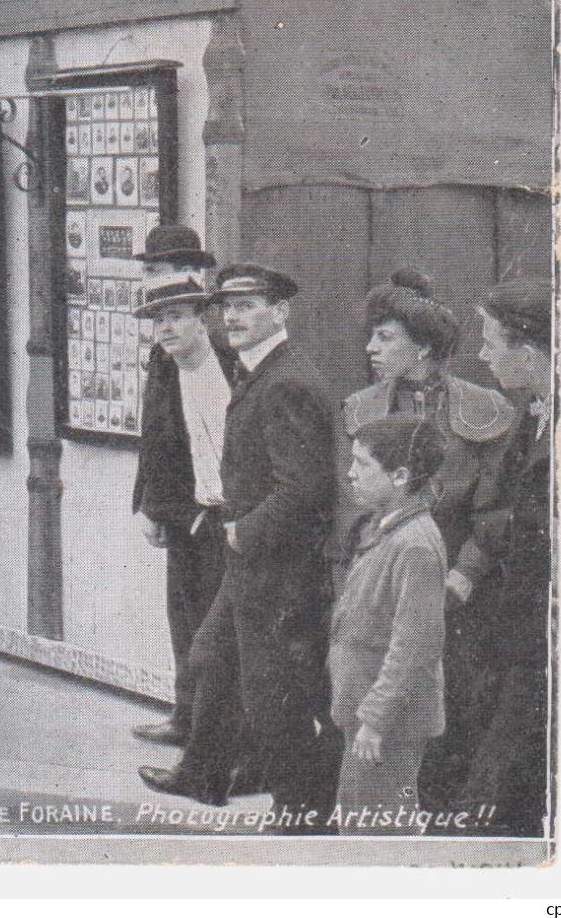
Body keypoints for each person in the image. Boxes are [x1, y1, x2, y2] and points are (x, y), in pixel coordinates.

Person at [140, 264, 339, 822]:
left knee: (275, 693)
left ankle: (302, 808)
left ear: (281, 312)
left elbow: (303, 487)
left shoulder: (288, 380)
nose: (233, 316)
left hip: (276, 565)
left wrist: (242, 528)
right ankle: (205, 776)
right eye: (228, 306)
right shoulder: (259, 372)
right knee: (210, 657)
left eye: (248, 306)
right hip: (248, 559)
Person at [336, 270, 516, 809]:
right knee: (375, 725)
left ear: (424, 348)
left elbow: (497, 508)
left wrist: (462, 577)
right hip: (381, 589)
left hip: (462, 593)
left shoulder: (484, 409)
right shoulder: (361, 408)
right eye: (371, 335)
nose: (370, 348)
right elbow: (351, 511)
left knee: (447, 716)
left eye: (385, 337)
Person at [126, 232, 239, 750]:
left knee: (219, 626)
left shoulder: (225, 356)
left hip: (225, 512)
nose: (158, 283)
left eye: (168, 270)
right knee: (183, 616)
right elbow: (157, 434)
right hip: (181, 508)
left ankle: (215, 732)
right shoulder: (164, 357)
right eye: (151, 272)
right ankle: (187, 715)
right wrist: (149, 503)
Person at [455, 277, 553, 837]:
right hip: (514, 620)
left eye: (492, 342)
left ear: (531, 350)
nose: (483, 354)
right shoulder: (530, 412)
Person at [329, 416, 449, 835]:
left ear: (400, 476)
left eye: (363, 465)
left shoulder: (413, 545)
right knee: (361, 826)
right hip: (367, 713)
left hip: (387, 724)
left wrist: (376, 719)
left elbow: (415, 648)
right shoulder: (388, 531)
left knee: (376, 837)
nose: (350, 473)